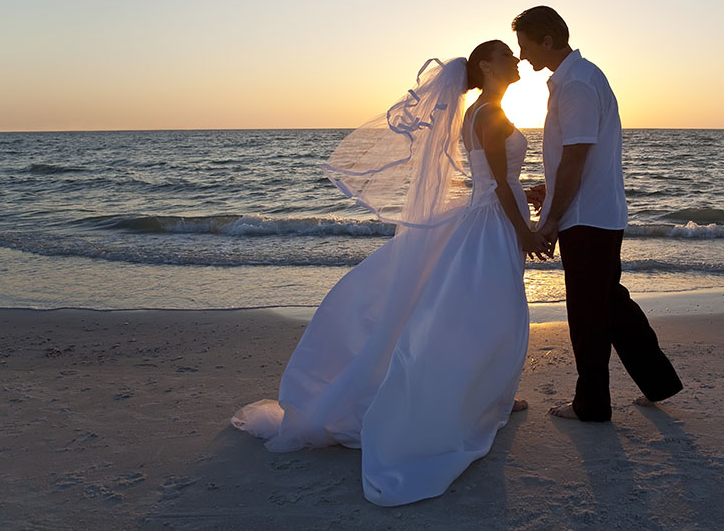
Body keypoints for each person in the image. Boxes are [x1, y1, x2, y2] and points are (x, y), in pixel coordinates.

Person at [230, 40, 549, 506]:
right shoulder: (489, 113)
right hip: (492, 224)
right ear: (486, 65)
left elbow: (497, 178)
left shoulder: (483, 110)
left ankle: (493, 399)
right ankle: (478, 401)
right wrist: (526, 230)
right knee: (492, 315)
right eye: (506, 55)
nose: (515, 61)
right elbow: (499, 184)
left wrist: (529, 191)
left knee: (488, 314)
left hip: (487, 216)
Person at [513, 6, 683, 422]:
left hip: (586, 218)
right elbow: (578, 161)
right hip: (597, 210)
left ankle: (592, 404)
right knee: (610, 303)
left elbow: (575, 159)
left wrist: (551, 219)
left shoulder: (576, 85)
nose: (522, 55)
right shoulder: (579, 78)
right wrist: (550, 189)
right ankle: (659, 382)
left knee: (588, 312)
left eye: (526, 44)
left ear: (548, 40)